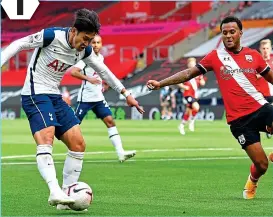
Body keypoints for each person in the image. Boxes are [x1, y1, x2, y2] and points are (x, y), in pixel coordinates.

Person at [1, 8, 144, 208]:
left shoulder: (84, 51)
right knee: (47, 138)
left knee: (78, 144)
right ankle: (54, 191)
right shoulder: (51, 36)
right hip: (34, 94)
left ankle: (66, 195)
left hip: (54, 95)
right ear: (74, 31)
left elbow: (104, 71)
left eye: (91, 39)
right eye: (85, 38)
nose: (87, 44)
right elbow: (19, 44)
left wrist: (126, 94)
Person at [147, 16, 273, 200]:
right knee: (262, 165)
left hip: (260, 108)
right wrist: (160, 83)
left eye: (232, 32)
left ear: (240, 33)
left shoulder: (253, 55)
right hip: (239, 121)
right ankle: (252, 181)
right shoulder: (215, 57)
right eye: (224, 33)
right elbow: (189, 73)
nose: (228, 36)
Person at [69, 35, 136, 162]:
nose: (95, 45)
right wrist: (89, 79)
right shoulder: (85, 57)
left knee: (110, 121)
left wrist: (103, 83)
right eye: (93, 42)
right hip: (85, 98)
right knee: (74, 125)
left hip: (98, 98)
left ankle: (120, 152)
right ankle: (71, 152)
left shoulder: (100, 58)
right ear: (89, 44)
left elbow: (100, 73)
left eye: (98, 43)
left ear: (101, 45)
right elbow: (74, 72)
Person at [178, 57, 206, 135]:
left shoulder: (198, 73)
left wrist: (202, 81)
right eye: (190, 63)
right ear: (188, 64)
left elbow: (202, 82)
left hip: (195, 95)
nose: (192, 64)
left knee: (188, 111)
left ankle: (181, 125)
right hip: (187, 95)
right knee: (196, 107)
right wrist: (184, 87)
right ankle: (192, 121)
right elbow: (178, 82)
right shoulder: (185, 73)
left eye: (193, 63)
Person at [256, 39, 273, 138]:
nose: (265, 50)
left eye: (267, 48)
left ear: (271, 49)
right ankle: (268, 126)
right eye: (263, 48)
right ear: (260, 49)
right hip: (260, 95)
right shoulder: (256, 61)